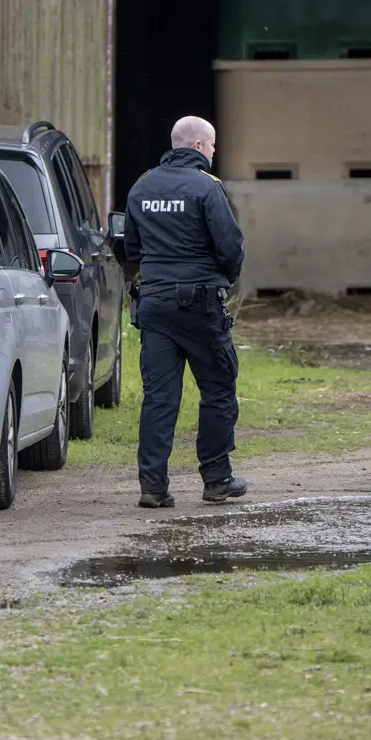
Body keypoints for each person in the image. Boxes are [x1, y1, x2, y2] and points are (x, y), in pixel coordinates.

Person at [122, 116, 248, 508]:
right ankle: (216, 479)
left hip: (155, 304)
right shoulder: (207, 188)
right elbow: (230, 248)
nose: (213, 153)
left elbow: (131, 250)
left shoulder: (142, 185)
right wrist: (220, 279)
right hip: (200, 306)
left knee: (159, 398)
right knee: (218, 388)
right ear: (197, 147)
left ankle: (153, 488)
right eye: (211, 146)